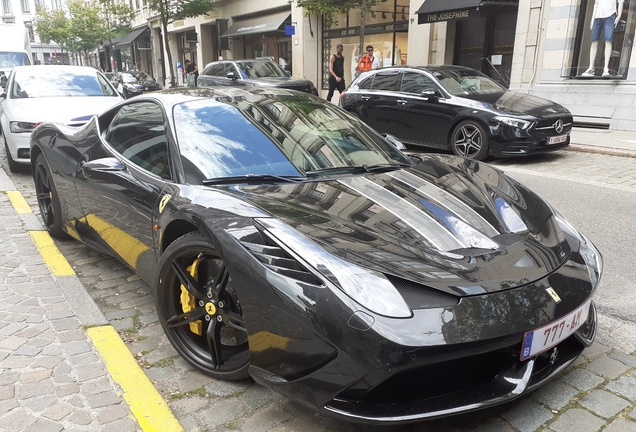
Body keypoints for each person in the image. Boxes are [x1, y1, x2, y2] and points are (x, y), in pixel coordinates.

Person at [582, 0, 624, 77]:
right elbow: (596, 4)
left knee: (608, 40)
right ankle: (591, 67)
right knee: (594, 41)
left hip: (610, 15)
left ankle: (606, 68)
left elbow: (620, 1)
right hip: (598, 16)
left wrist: (619, 15)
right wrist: (592, 18)